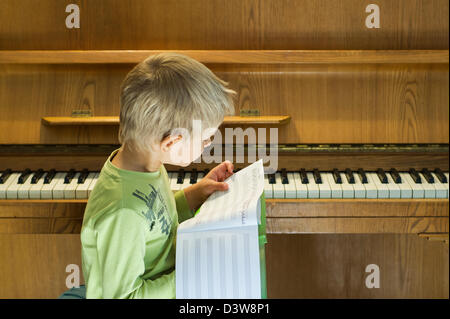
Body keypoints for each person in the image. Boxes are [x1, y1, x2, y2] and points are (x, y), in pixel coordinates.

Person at [80, 52, 236, 298]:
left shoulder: (144, 164)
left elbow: (154, 219)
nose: (208, 144)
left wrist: (196, 194)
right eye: (206, 137)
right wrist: (192, 276)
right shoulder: (123, 213)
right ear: (171, 143)